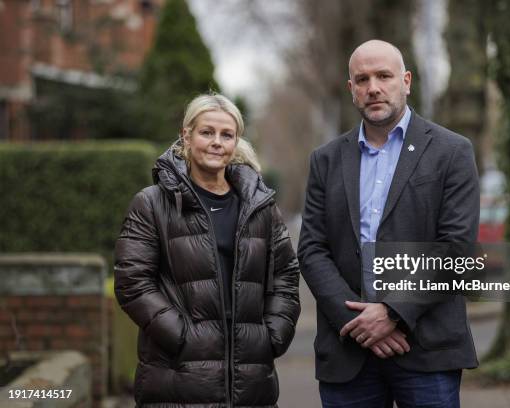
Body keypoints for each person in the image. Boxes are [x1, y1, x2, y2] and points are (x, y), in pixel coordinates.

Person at [298, 39, 479, 407]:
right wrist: (361, 324)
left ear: (407, 81)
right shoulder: (326, 160)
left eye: (384, 76)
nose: (373, 88)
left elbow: (454, 247)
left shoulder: (452, 152)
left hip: (427, 347)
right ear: (352, 90)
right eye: (362, 79)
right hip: (348, 350)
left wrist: (393, 312)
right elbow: (313, 249)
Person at [114, 94, 300, 408]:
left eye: (226, 135)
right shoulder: (152, 203)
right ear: (187, 135)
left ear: (236, 141)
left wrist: (272, 335)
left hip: (251, 381)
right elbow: (132, 282)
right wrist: (182, 336)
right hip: (177, 379)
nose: (217, 142)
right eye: (207, 132)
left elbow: (286, 274)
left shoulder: (259, 207)